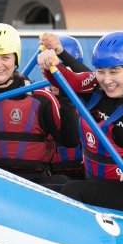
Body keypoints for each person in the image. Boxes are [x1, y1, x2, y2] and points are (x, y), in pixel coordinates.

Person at [39, 31, 123, 216]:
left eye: (114, 71)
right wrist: (50, 64)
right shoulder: (94, 85)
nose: (106, 80)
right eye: (101, 71)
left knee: (72, 191)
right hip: (98, 184)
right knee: (48, 189)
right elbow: (67, 79)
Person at [0, 23, 79, 188]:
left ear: (16, 60)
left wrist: (65, 94)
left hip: (33, 186)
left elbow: (70, 140)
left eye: (5, 57)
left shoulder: (42, 98)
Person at [37, 32, 89, 179]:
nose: (55, 79)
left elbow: (95, 80)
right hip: (49, 178)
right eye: (47, 73)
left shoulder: (92, 98)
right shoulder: (37, 100)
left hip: (83, 177)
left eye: (61, 72)